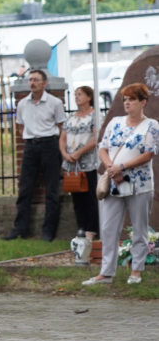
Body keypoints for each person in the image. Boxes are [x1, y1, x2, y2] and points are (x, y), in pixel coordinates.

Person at [83, 83, 158, 287]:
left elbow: (148, 153)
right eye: (125, 99)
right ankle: (106, 273)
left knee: (139, 229)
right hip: (114, 183)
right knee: (108, 228)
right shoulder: (115, 122)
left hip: (140, 185)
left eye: (132, 99)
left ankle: (136, 272)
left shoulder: (151, 125)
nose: (127, 102)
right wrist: (111, 168)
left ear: (143, 102)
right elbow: (102, 148)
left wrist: (122, 167)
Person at [6, 68, 67, 241]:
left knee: (52, 191)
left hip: (50, 145)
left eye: (36, 80)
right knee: (25, 189)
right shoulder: (23, 104)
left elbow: (62, 126)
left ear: (44, 83)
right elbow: (19, 126)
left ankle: (48, 231)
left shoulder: (55, 103)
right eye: (30, 79)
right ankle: (20, 229)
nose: (32, 83)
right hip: (30, 147)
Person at [60, 85, 100, 242]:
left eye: (80, 94)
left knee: (90, 198)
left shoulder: (94, 116)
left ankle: (91, 229)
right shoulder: (70, 117)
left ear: (89, 97)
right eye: (75, 94)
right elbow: (63, 137)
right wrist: (65, 153)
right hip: (72, 165)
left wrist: (78, 153)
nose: (76, 97)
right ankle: (81, 227)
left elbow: (96, 138)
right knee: (77, 198)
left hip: (88, 163)